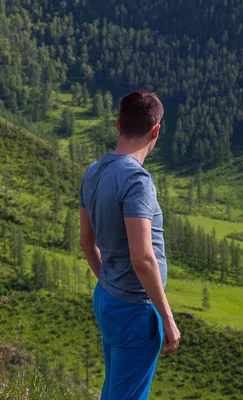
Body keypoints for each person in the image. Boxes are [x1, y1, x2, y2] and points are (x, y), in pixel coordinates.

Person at [79, 90, 181, 399]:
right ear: (156, 131)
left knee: (114, 389)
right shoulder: (137, 181)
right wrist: (167, 317)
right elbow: (143, 258)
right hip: (136, 310)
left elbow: (86, 243)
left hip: (107, 298)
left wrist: (110, 284)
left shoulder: (93, 171)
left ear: (117, 124)